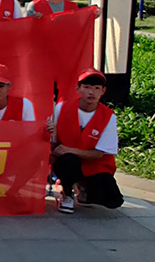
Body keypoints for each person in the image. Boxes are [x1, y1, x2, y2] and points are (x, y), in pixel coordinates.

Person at [46, 68, 124, 213]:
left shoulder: (108, 116)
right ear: (78, 89)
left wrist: (68, 149)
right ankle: (66, 192)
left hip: (93, 165)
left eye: (96, 88)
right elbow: (53, 142)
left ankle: (82, 188)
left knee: (113, 200)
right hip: (67, 161)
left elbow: (99, 154)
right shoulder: (61, 108)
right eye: (87, 87)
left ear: (103, 91)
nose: (91, 92)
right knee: (67, 160)